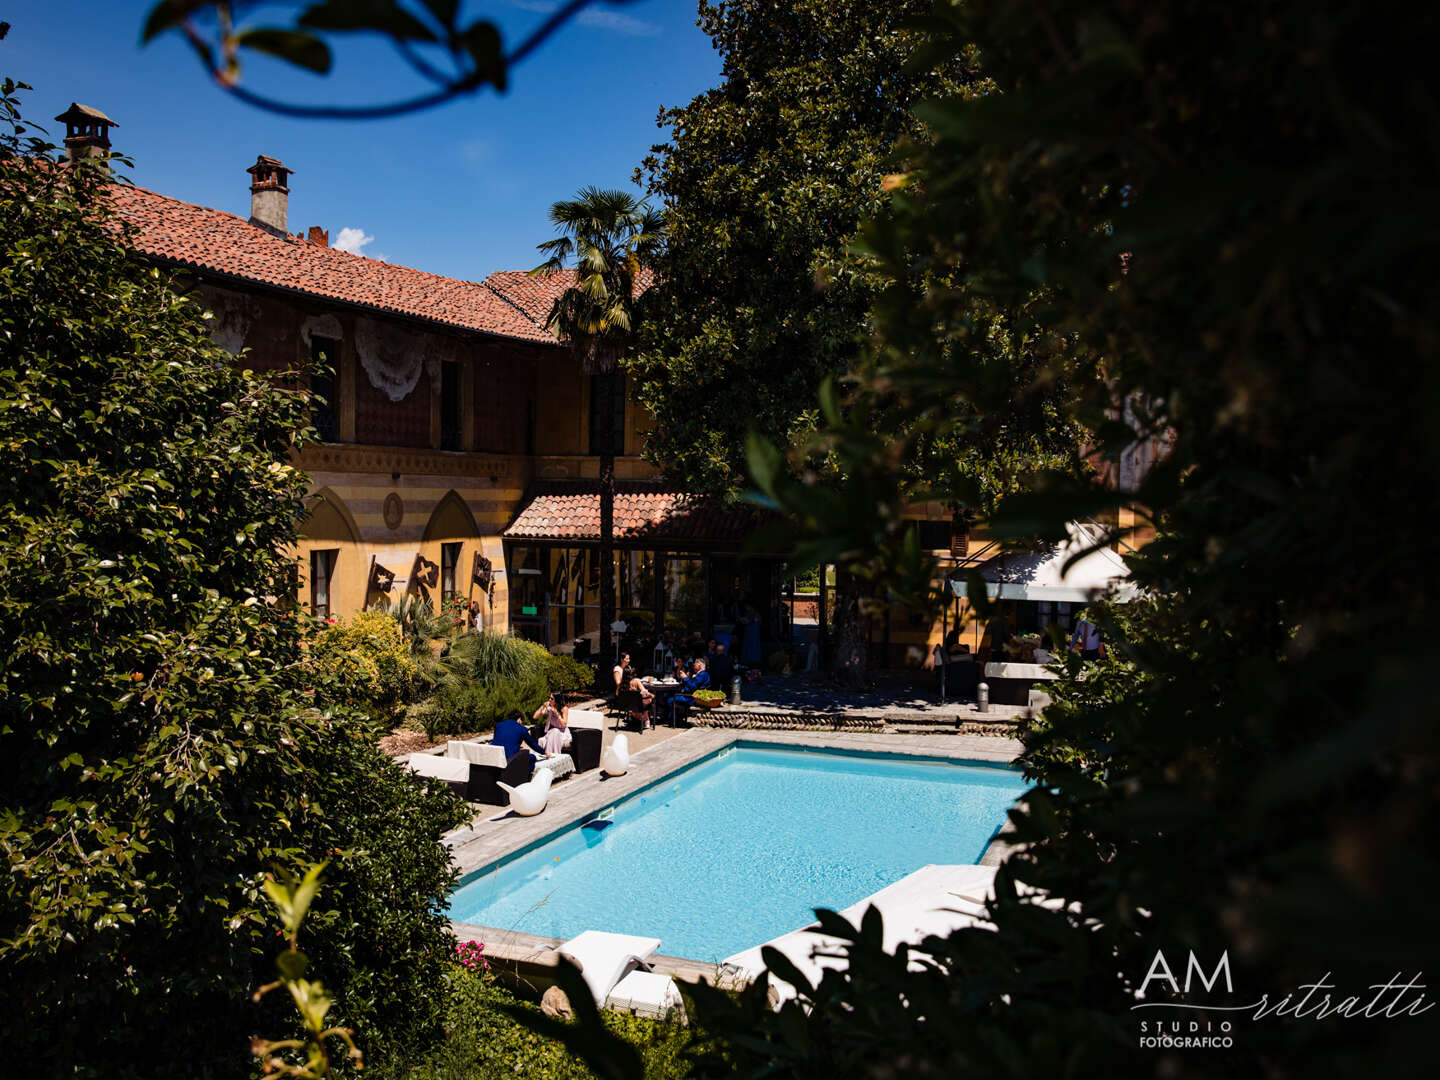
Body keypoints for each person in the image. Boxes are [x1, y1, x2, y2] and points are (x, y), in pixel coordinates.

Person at [669, 657, 710, 724]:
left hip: (691, 698)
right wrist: (689, 678)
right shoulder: (703, 674)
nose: (693, 666)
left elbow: (693, 687)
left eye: (694, 665)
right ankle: (677, 717)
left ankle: (675, 720)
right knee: (671, 696)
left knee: (670, 699)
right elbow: (694, 685)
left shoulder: (702, 675)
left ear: (699, 665)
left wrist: (685, 678)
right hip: (691, 695)